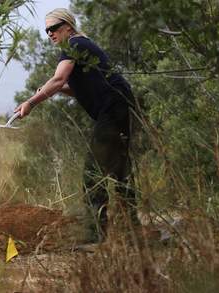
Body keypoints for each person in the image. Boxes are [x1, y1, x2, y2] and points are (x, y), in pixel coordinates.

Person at [14, 8, 140, 243]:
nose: (49, 33)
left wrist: (31, 102)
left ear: (68, 27)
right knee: (119, 170)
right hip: (119, 106)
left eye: (53, 28)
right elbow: (75, 86)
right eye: (46, 30)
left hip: (114, 108)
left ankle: (95, 235)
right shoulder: (79, 46)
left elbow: (59, 78)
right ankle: (132, 228)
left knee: (93, 173)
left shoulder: (73, 44)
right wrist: (53, 90)